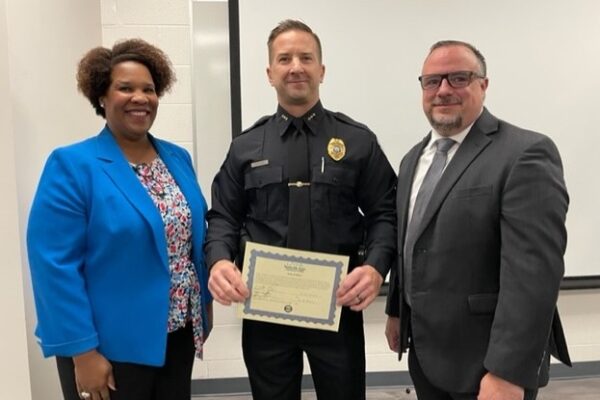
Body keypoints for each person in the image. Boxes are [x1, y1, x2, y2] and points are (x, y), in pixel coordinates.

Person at [205, 19, 396, 400]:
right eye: (285, 58)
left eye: (306, 57)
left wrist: (376, 268)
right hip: (265, 310)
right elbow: (224, 215)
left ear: (321, 70)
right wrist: (219, 261)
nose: (296, 66)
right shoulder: (245, 147)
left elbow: (385, 214)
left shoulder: (357, 141)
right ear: (270, 73)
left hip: (336, 306)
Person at [26, 38, 212, 400]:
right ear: (102, 97)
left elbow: (194, 236)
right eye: (125, 88)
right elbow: (53, 265)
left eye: (149, 89)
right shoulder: (72, 165)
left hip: (177, 334)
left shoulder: (177, 158)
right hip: (109, 346)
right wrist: (82, 351)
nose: (140, 98)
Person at [385, 40, 571, 400]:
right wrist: (397, 311)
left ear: (483, 85)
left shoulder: (524, 153)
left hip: (485, 363)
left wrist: (507, 372)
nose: (443, 91)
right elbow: (410, 242)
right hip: (425, 354)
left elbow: (534, 275)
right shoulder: (412, 160)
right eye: (432, 81)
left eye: (458, 78)